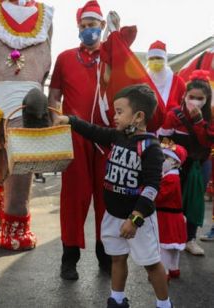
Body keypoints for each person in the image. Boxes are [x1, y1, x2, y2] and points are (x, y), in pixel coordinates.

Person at [56, 84, 171, 308]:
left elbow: (151, 187)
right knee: (117, 258)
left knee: (151, 263)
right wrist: (69, 120)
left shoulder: (151, 148)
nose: (114, 117)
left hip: (139, 221)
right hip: (113, 216)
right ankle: (117, 300)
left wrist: (136, 218)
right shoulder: (117, 137)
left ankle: (164, 304)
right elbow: (93, 131)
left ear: (138, 116)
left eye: (119, 112)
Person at [48, 0, 115, 280]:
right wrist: (54, 124)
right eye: (84, 26)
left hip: (106, 139)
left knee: (107, 198)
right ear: (79, 28)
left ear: (102, 27)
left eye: (94, 26)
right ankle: (69, 258)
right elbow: (53, 96)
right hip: (74, 137)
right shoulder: (64, 58)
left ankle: (106, 255)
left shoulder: (112, 57)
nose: (89, 30)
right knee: (73, 199)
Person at [159, 69, 213, 256]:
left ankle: (190, 239)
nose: (195, 101)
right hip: (176, 164)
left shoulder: (210, 117)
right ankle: (170, 237)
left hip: (200, 164)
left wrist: (198, 120)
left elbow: (208, 141)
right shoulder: (174, 114)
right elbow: (162, 140)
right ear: (184, 95)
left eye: (200, 98)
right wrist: (174, 154)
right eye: (192, 97)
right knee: (174, 200)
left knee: (195, 201)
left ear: (207, 99)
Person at [155, 143, 188, 280]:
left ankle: (164, 273)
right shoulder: (173, 177)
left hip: (167, 217)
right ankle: (174, 269)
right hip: (174, 216)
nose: (162, 160)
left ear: (175, 162)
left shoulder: (170, 179)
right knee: (174, 247)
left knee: (165, 246)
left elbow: (159, 197)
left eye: (166, 157)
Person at [146, 40, 186, 112]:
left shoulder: (177, 82)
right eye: (151, 59)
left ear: (165, 59)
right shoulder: (144, 81)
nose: (155, 61)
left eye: (158, 58)